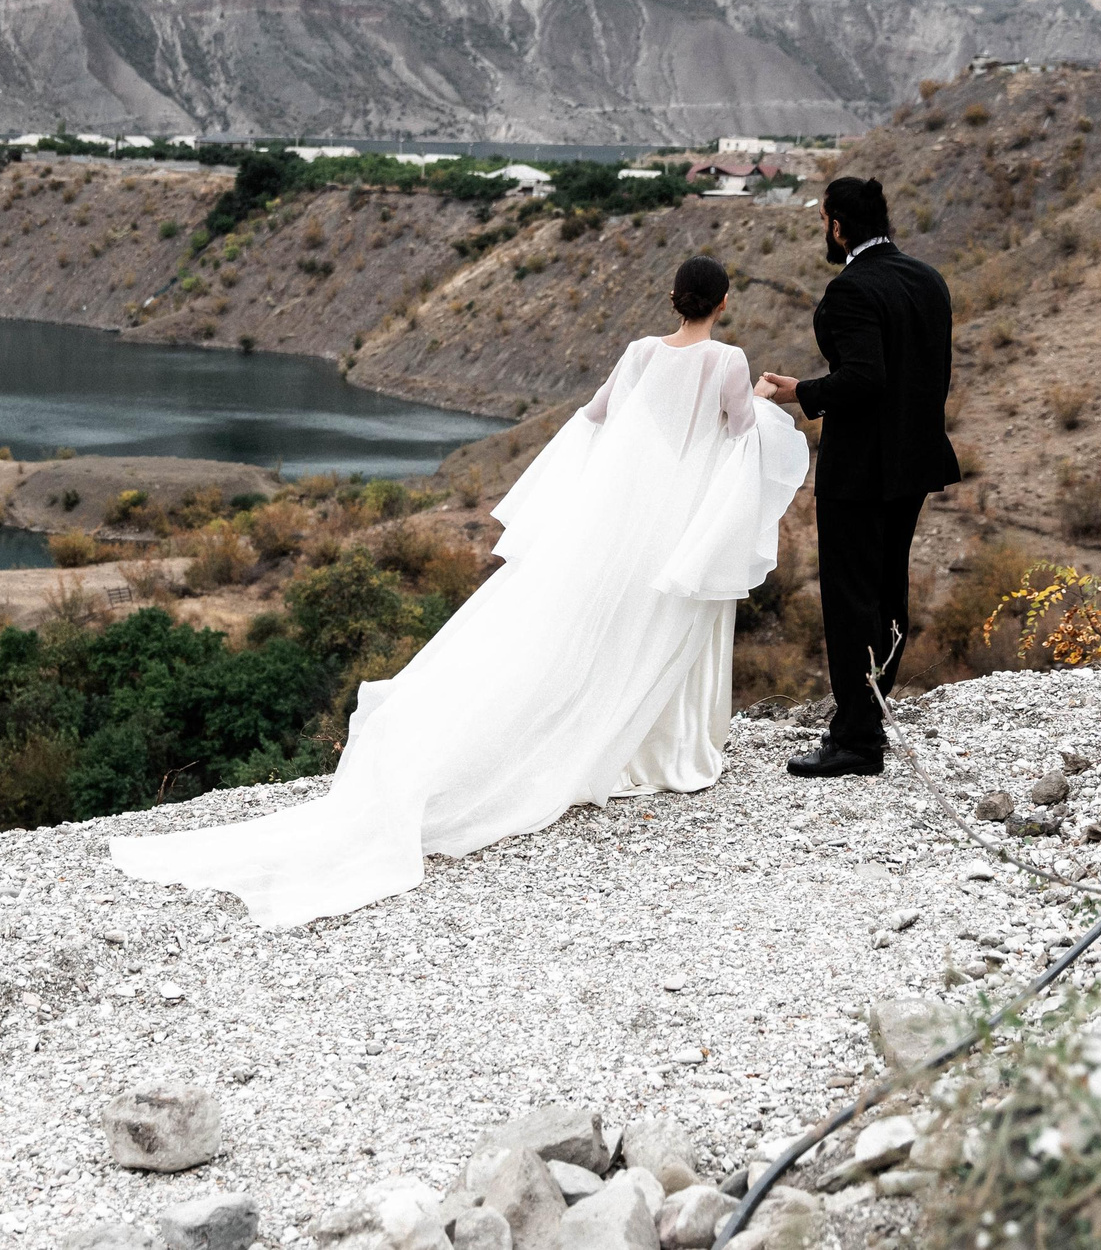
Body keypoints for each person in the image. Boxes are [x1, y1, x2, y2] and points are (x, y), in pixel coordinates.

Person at [108, 256, 811, 927]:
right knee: (662, 627)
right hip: (674, 522)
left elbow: (596, 417)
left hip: (624, 521)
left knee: (600, 630)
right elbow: (740, 437)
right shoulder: (728, 361)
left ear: (671, 301)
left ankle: (622, 740)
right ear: (723, 303)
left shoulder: (637, 352)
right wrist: (760, 397)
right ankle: (665, 746)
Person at [755, 176, 960, 778]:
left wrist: (802, 392)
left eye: (824, 220)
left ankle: (856, 742)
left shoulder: (849, 291)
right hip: (913, 462)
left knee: (849, 600)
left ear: (838, 225)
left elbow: (865, 378)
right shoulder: (928, 280)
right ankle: (871, 714)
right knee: (888, 587)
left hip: (861, 471)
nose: (824, 230)